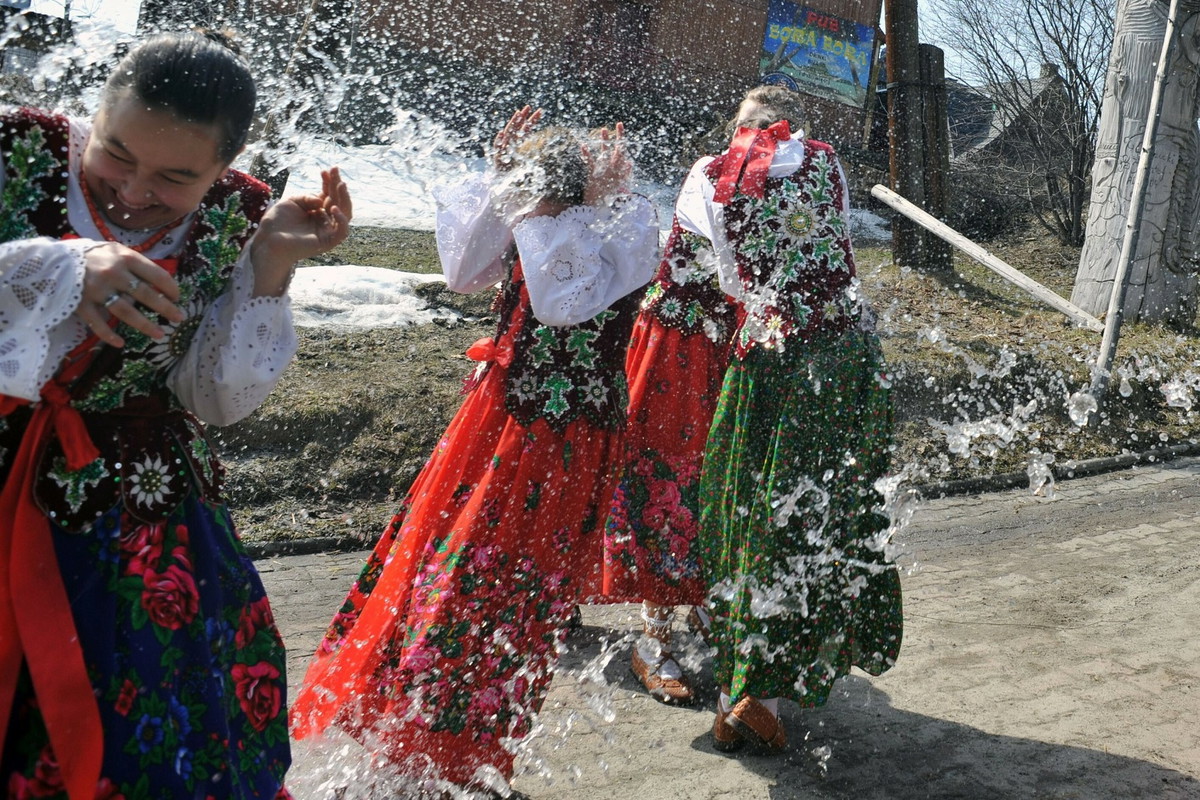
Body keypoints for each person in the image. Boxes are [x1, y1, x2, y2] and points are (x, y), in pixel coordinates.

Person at [0, 31, 351, 799]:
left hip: (140, 510)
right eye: (116, 153)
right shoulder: (15, 148)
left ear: (222, 170)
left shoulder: (237, 216)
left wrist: (270, 267)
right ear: (93, 113)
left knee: (161, 734)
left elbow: (211, 399)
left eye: (175, 177)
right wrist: (58, 263)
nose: (132, 191)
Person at [290, 107, 658, 797]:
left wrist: (546, 207)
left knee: (508, 595)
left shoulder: (619, 228)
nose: (528, 207)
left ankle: (456, 755)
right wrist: (503, 187)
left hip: (566, 439)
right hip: (496, 423)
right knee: (443, 570)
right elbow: (462, 270)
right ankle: (412, 742)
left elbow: (555, 299)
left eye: (535, 193)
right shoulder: (546, 220)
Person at [689, 85, 904, 753]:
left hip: (769, 356)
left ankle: (744, 688)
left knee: (746, 502)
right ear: (795, 129)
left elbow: (729, 278)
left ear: (736, 129)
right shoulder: (827, 160)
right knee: (816, 505)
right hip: (840, 357)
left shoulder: (708, 172)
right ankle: (761, 690)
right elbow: (835, 244)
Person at [602, 164, 738, 705]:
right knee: (667, 483)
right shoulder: (710, 177)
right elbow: (735, 265)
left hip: (725, 350)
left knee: (718, 483)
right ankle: (653, 637)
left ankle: (702, 598)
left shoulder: (781, 183)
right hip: (675, 355)